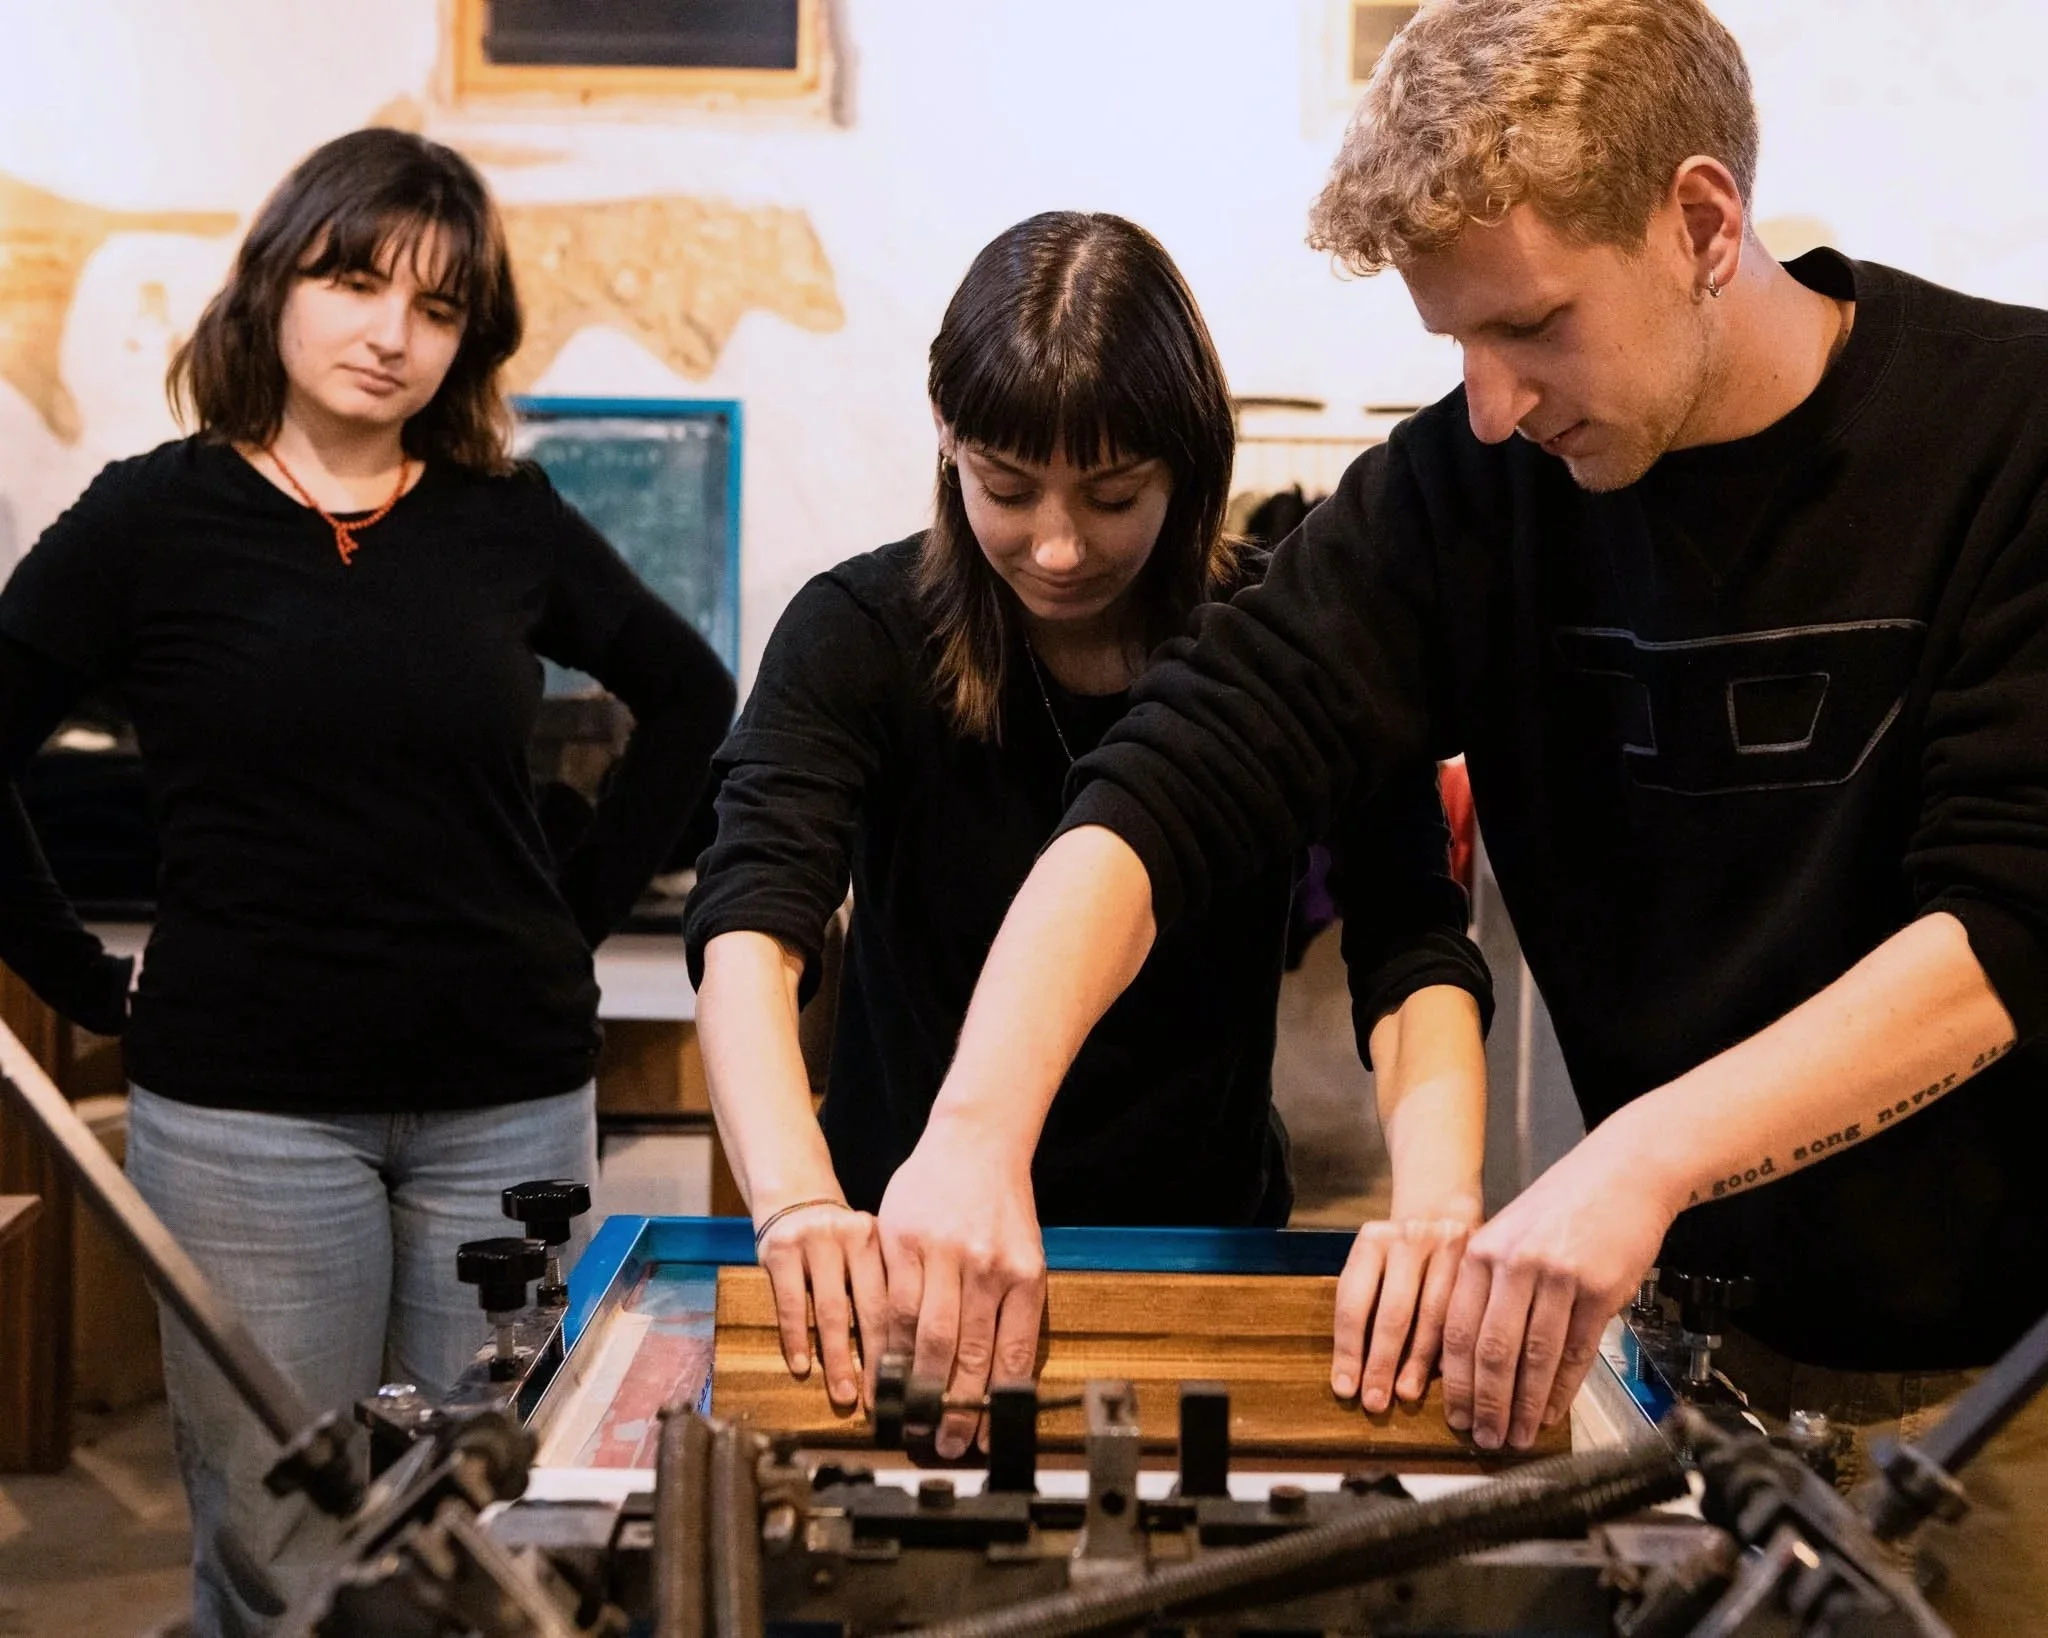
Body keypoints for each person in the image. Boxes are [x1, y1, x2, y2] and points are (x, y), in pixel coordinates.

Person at [896, 4, 2048, 1629]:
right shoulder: (1471, 492)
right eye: (1456, 345)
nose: (1494, 402)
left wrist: (1635, 1158)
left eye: (1531, 327)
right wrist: (971, 1129)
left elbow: (2008, 924)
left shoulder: (2011, 433)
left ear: (1701, 223)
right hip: (1693, 1371)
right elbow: (1176, 770)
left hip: (2010, 1387)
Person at [0, 128, 735, 1635]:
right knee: (285, 1546)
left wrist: (569, 919)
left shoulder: (502, 517)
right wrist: (77, 976)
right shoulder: (151, 520)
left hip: (505, 1104)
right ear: (275, 283)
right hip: (249, 1126)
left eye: (438, 306)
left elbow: (691, 695)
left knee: (489, 1529)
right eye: (354, 281)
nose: (392, 331)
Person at [684, 211, 1492, 1459]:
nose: (1057, 548)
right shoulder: (858, 633)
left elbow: (1411, 941)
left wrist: (1436, 1203)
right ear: (945, 440)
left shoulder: (1282, 647)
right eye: (1005, 489)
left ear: (1189, 463)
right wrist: (795, 1204)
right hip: (910, 1257)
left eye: (1113, 496)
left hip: (1198, 1258)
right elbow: (751, 925)